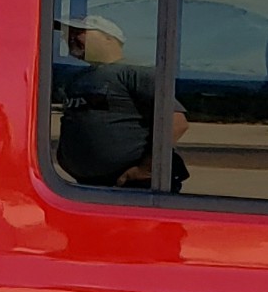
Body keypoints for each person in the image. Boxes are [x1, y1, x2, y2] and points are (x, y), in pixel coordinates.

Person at [52, 14, 186, 188]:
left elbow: (176, 123)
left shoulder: (136, 72)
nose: (69, 38)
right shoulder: (78, 78)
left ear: (109, 38)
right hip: (87, 186)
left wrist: (146, 169)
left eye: (78, 33)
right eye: (67, 34)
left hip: (131, 186)